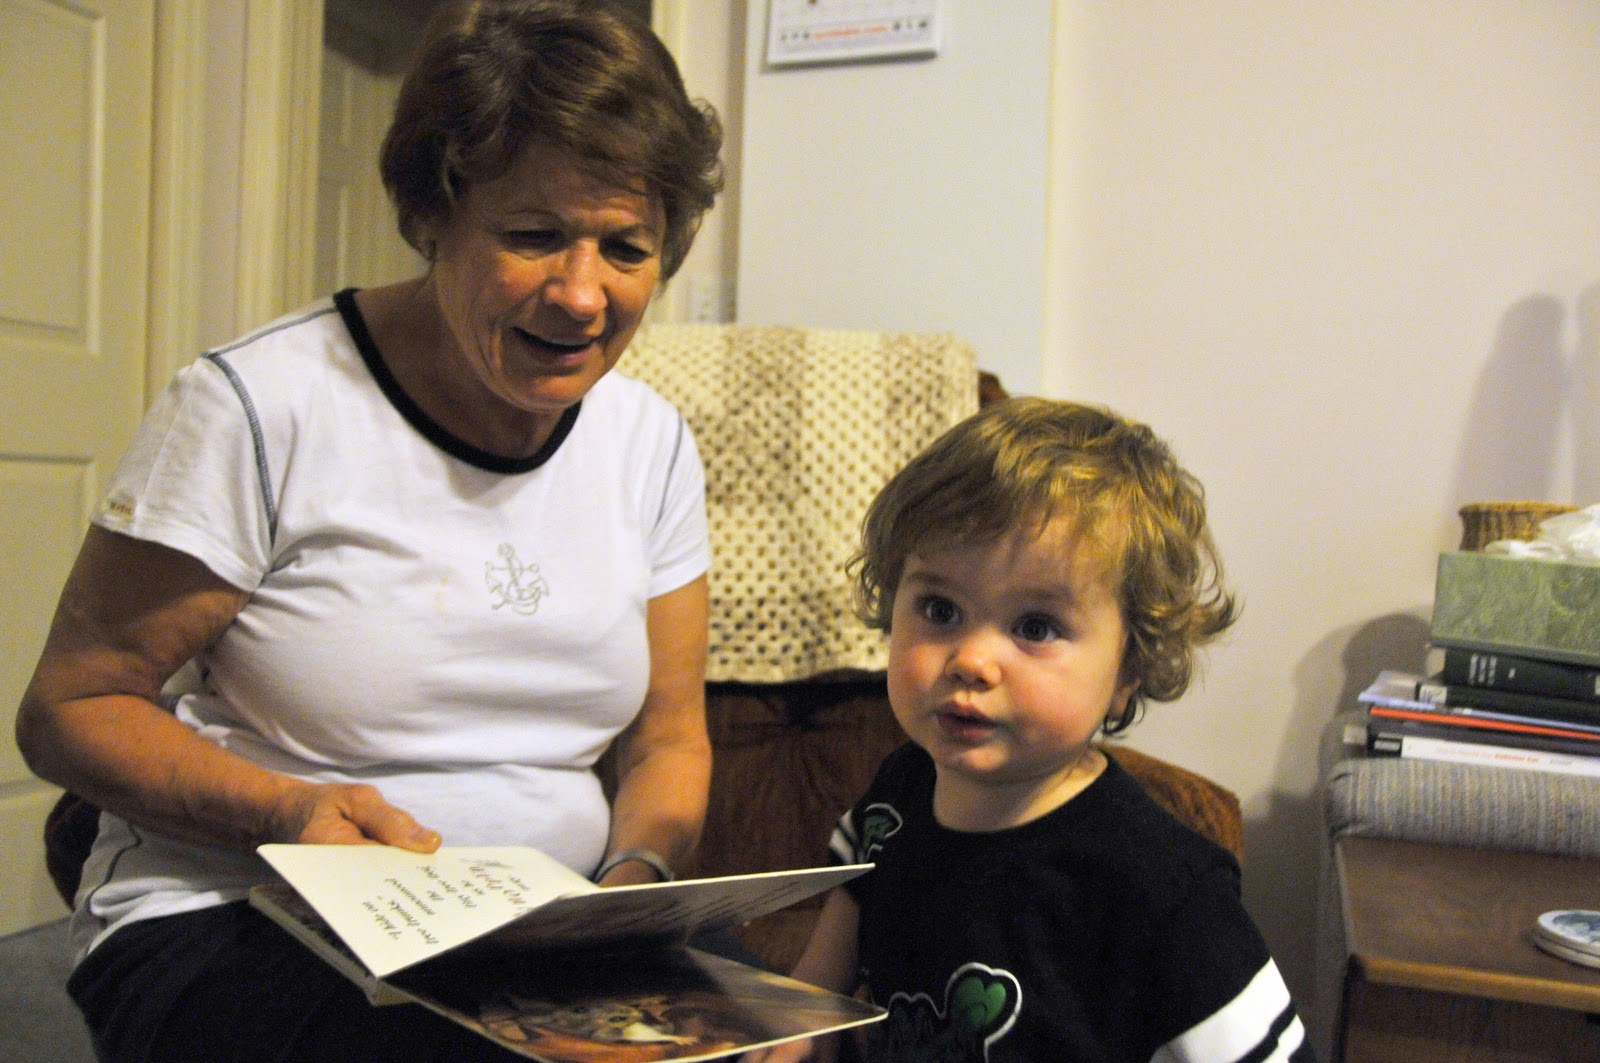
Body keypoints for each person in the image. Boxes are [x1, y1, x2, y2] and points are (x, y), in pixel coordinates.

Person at [15, 1, 723, 1059]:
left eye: (626, 248)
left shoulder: (651, 443)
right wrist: (285, 810)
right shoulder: (257, 405)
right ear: (434, 214)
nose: (582, 295)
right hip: (243, 908)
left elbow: (667, 740)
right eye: (533, 236)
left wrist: (629, 892)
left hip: (539, 934)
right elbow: (70, 709)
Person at [751, 398, 1314, 1062]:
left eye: (1035, 627)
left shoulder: (1165, 892)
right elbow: (831, 961)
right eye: (940, 609)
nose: (971, 659)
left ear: (1129, 669)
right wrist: (797, 1028)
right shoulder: (899, 791)